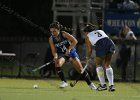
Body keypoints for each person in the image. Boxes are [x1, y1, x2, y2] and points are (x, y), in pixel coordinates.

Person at [49, 21, 96, 89]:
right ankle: (64, 82)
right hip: (63, 54)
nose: (53, 33)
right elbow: (54, 50)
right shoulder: (51, 39)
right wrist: (55, 56)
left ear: (58, 30)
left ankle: (90, 84)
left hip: (71, 53)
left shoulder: (64, 34)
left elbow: (75, 41)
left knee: (80, 70)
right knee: (58, 63)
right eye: (51, 32)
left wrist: (69, 49)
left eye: (54, 31)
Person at [83, 23, 115, 91]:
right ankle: (111, 85)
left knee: (98, 65)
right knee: (107, 65)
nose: (85, 34)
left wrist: (87, 58)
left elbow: (89, 50)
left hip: (101, 45)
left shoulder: (87, 36)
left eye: (85, 33)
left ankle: (103, 85)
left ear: (86, 32)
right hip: (110, 44)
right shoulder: (100, 31)